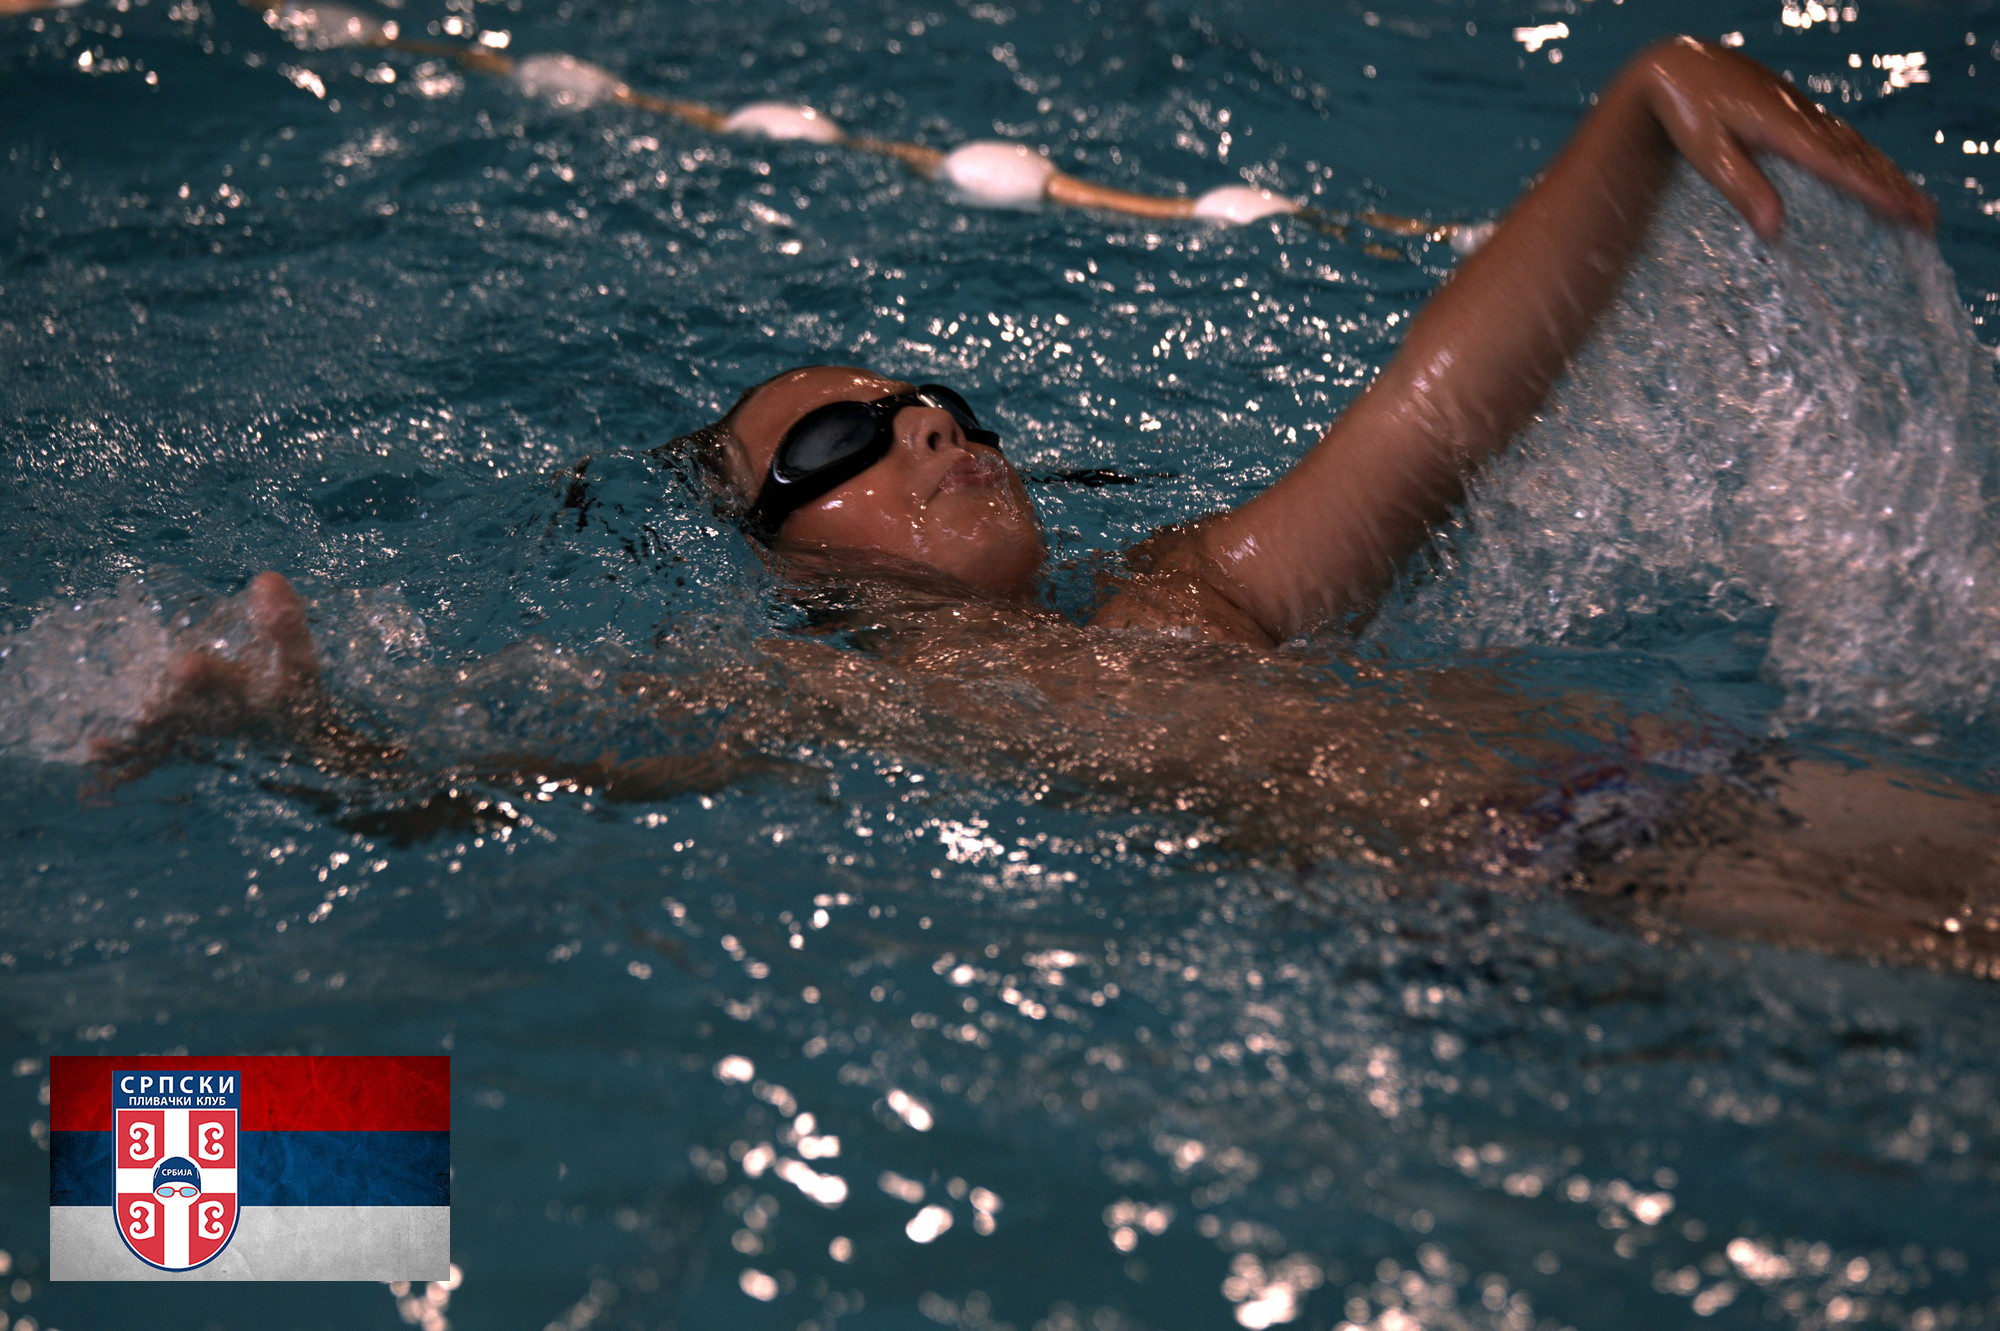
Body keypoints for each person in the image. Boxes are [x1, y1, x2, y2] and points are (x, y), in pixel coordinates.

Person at [109, 40, 1999, 972]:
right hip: (1552, 911)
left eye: (932, 403)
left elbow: (1434, 420)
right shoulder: (828, 698)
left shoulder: (1188, 595)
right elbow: (526, 777)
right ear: (784, 564)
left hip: (1662, 787)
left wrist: (1637, 110)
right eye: (839, 447)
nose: (925, 428)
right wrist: (310, 740)